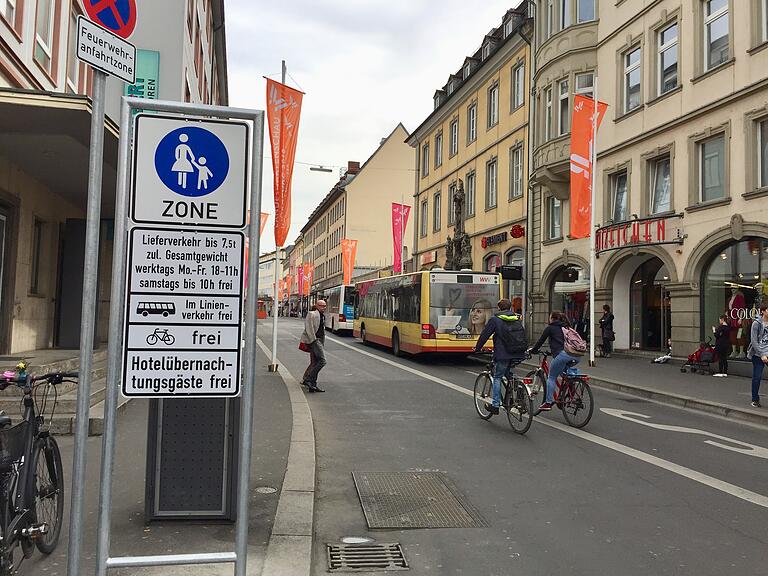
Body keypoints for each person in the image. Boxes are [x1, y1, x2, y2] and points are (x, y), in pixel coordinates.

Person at [473, 299, 528, 414]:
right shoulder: (516, 318)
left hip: (503, 354)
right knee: (508, 374)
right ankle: (519, 390)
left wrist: (477, 348)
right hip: (518, 352)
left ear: (499, 308)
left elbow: (485, 335)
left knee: (497, 377)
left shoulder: (495, 319)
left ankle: (496, 405)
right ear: (510, 308)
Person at [528, 311, 580, 411]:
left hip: (563, 354)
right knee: (564, 372)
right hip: (577, 355)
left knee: (551, 377)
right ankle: (570, 386)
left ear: (552, 318)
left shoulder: (550, 328)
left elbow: (540, 341)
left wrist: (533, 350)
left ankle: (548, 402)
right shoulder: (566, 327)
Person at [301, 300, 328, 393]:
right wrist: (314, 340)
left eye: (325, 306)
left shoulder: (323, 316)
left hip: (320, 340)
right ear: (317, 306)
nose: (324, 307)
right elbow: (309, 328)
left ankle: (313, 385)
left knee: (316, 361)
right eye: (322, 306)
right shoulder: (312, 314)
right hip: (315, 340)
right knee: (323, 361)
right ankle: (308, 379)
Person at [746, 305, 768, 408]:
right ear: (763, 311)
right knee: (757, 377)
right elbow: (754, 341)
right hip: (758, 354)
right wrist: (762, 354)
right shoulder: (756, 323)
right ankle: (755, 399)